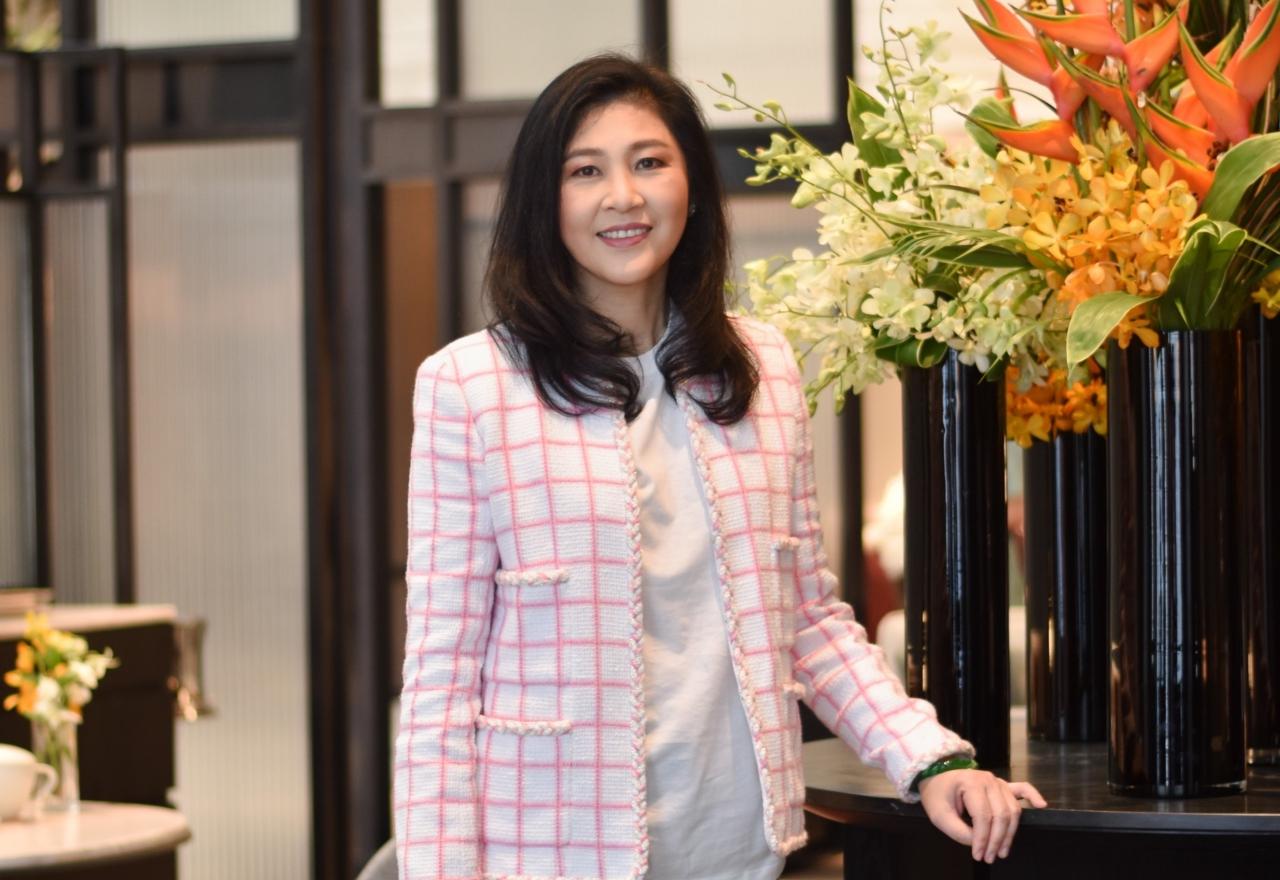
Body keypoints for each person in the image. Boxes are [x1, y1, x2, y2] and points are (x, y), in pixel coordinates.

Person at [393, 53, 1047, 880]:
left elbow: (806, 619)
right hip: (551, 852)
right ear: (542, 202)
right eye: (585, 171)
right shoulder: (471, 385)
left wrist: (933, 758)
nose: (623, 196)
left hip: (735, 850)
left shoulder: (761, 366)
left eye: (649, 162)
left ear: (692, 185)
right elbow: (442, 678)